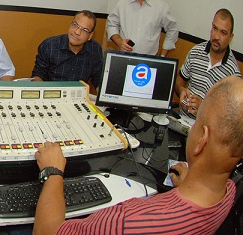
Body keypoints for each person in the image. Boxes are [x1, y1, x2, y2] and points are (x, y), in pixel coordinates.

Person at [32, 76, 243, 235]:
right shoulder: (229, 192)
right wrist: (191, 181)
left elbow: (47, 232)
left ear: (201, 140)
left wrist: (53, 172)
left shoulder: (125, 222)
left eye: (197, 122)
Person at [176, 8, 241, 118]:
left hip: (207, 132)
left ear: (231, 37)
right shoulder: (196, 52)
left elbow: (230, 119)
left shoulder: (233, 75)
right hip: (181, 120)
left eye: (223, 33)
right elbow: (179, 82)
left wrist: (203, 109)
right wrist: (181, 90)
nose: (216, 36)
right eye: (215, 28)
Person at [106, 0, 178, 56]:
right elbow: (111, 25)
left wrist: (162, 56)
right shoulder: (123, 2)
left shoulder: (161, 7)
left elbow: (173, 29)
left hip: (148, 62)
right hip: (123, 57)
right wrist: (119, 42)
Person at [31, 10, 103, 91]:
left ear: (90, 36)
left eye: (84, 30)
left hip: (78, 97)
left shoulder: (95, 49)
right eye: (75, 25)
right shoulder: (49, 46)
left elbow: (98, 79)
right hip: (51, 94)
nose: (77, 32)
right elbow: (38, 75)